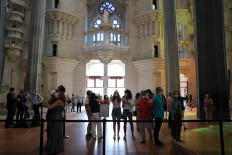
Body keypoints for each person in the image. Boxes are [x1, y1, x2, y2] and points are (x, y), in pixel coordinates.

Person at [46, 85, 66, 154]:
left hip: (55, 117)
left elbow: (50, 108)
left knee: (55, 132)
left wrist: (49, 105)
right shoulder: (62, 102)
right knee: (57, 132)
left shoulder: (58, 102)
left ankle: (54, 147)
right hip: (57, 116)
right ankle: (56, 147)